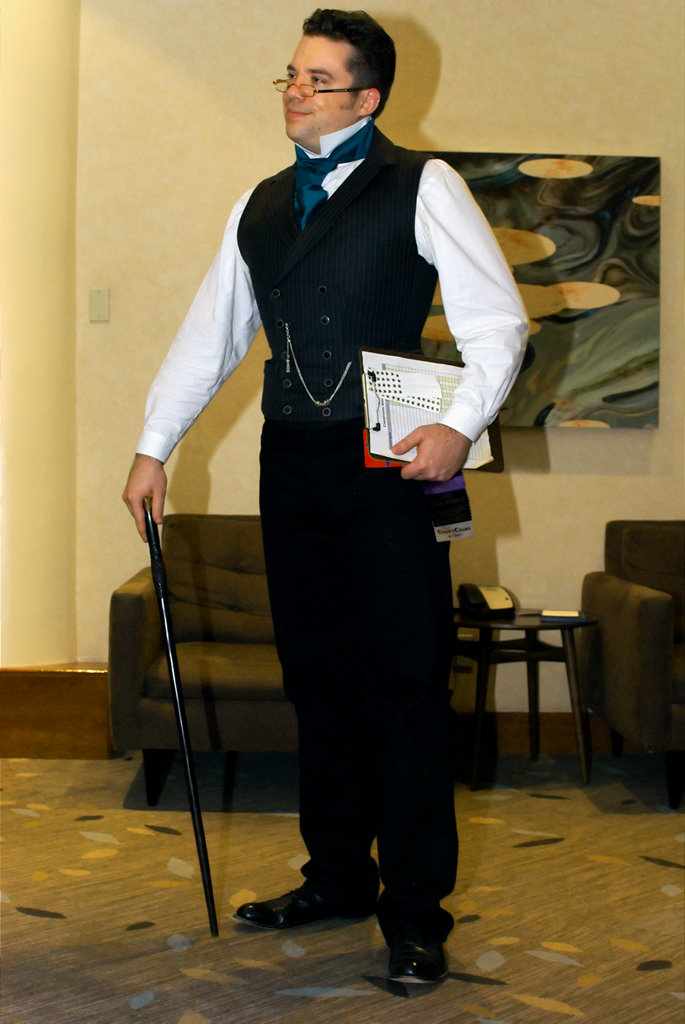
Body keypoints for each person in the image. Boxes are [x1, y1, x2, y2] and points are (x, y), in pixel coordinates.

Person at [123, 8, 528, 985]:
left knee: (404, 686)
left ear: (366, 97)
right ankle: (338, 875)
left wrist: (458, 424)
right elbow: (209, 338)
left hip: (391, 467)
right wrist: (152, 447)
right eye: (291, 77)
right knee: (317, 681)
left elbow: (498, 322)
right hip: (293, 464)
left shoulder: (423, 184)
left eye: (317, 79)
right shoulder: (259, 205)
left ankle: (415, 913)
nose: (296, 92)